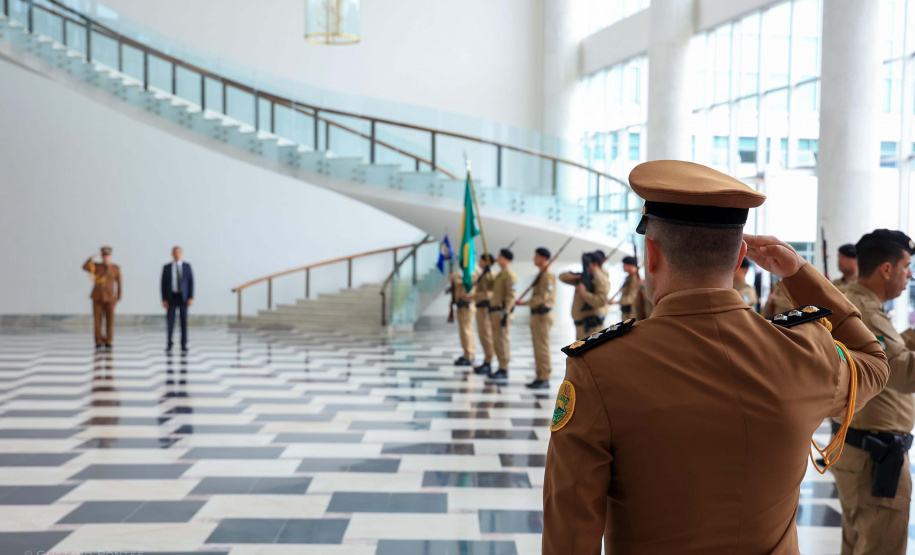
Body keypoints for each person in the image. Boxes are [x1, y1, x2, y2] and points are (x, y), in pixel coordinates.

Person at [542, 160, 889, 555]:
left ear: (651, 254)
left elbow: (570, 535)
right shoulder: (807, 352)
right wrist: (799, 274)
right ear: (740, 255)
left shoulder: (598, 368)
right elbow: (874, 362)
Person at [832, 229, 915, 555]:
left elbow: (886, 352)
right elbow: (904, 372)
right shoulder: (864, 311)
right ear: (886, 269)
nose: (909, 273)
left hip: (863, 450)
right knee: (879, 546)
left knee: (858, 543)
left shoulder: (859, 303)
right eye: (906, 265)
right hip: (875, 458)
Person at [516, 247, 556, 389]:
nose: (534, 259)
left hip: (542, 315)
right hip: (537, 315)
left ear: (544, 258)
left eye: (537, 256)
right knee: (538, 347)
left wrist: (525, 303)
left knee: (542, 347)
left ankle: (545, 377)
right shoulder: (542, 273)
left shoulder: (547, 275)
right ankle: (540, 376)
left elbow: (543, 297)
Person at [559, 252, 610, 340]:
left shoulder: (600, 279)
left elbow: (601, 302)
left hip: (592, 328)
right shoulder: (583, 277)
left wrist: (584, 293)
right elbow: (562, 277)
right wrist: (574, 276)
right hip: (581, 327)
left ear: (594, 264)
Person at [485, 248, 517, 382]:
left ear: (506, 259)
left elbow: (511, 295)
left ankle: (504, 368)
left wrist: (506, 312)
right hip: (494, 312)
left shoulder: (510, 275)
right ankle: (500, 366)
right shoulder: (500, 274)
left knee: (502, 340)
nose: (498, 259)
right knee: (497, 341)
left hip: (501, 313)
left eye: (500, 256)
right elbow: (489, 287)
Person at [82, 247, 122, 349]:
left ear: (111, 256)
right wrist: (91, 258)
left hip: (110, 298)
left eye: (107, 256)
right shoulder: (96, 266)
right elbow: (85, 267)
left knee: (110, 320)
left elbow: (119, 283)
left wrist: (119, 297)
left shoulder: (115, 268)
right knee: (97, 320)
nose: (106, 258)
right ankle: (98, 340)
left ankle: (108, 340)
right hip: (97, 297)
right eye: (104, 256)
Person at [161, 246, 194, 352]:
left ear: (182, 254)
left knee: (184, 321)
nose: (177, 254)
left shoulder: (187, 266)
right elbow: (163, 285)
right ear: (172, 254)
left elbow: (191, 283)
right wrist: (164, 299)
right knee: (170, 321)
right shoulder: (166, 267)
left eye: (179, 252)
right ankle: (169, 343)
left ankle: (184, 343)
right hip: (172, 297)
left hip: (183, 297)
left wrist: (191, 297)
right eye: (175, 252)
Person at [449, 260, 477, 366]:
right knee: (464, 331)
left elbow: (463, 280)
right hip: (461, 306)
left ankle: (469, 355)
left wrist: (455, 277)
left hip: (467, 306)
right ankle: (467, 353)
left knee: (467, 331)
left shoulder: (473, 272)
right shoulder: (465, 272)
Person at [472, 253, 496, 375]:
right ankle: (487, 360)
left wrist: (474, 296)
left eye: (481, 260)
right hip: (480, 308)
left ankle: (489, 361)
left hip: (486, 309)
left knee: (486, 335)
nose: (479, 262)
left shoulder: (490, 275)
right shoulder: (484, 274)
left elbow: (491, 293)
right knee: (483, 335)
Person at [615, 255, 642, 321]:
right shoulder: (629, 278)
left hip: (631, 314)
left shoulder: (635, 279)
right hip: (627, 313)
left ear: (630, 266)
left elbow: (631, 298)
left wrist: (616, 302)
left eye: (625, 265)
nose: (623, 267)